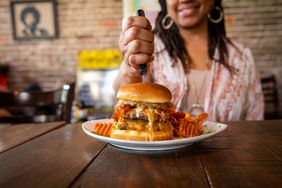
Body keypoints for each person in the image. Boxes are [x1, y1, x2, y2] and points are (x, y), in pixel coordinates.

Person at [114, 0, 264, 122]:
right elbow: (121, 111)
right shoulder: (148, 50)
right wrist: (130, 69)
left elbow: (255, 122)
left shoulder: (242, 57)